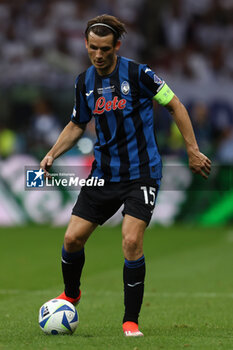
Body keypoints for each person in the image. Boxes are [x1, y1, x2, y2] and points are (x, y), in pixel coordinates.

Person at [40, 14, 211, 337]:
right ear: (86, 45)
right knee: (72, 239)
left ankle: (130, 320)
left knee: (131, 240)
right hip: (104, 173)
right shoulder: (83, 82)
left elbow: (175, 104)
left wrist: (192, 149)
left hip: (141, 173)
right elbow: (78, 124)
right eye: (93, 48)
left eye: (105, 48)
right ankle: (72, 295)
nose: (99, 55)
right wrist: (52, 153)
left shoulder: (139, 74)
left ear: (117, 45)